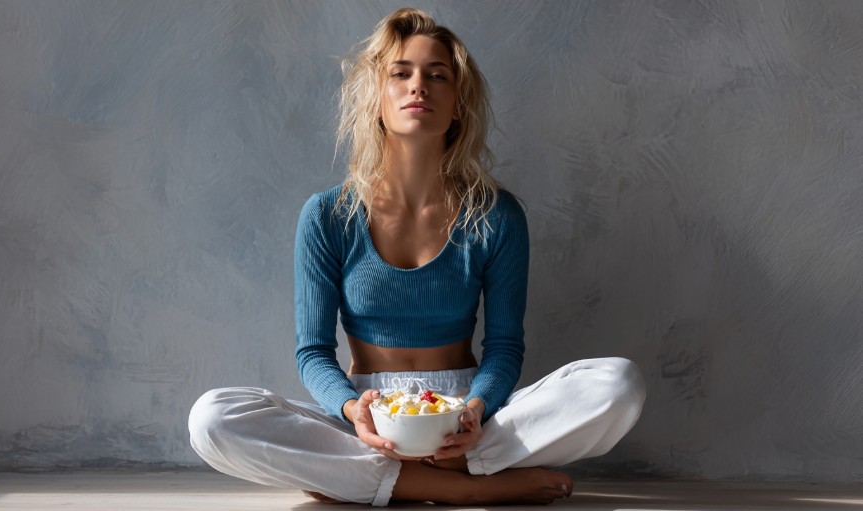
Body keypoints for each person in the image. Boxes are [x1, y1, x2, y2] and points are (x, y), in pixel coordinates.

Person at [188, 8, 646, 506]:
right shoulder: (326, 215)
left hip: (466, 419)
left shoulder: (498, 215)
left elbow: (505, 347)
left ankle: (383, 478)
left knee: (618, 383)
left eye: (437, 75)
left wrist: (474, 411)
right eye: (400, 74)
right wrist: (350, 412)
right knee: (212, 418)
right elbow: (313, 353)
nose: (418, 86)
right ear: (377, 100)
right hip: (368, 418)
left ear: (458, 107)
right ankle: (468, 489)